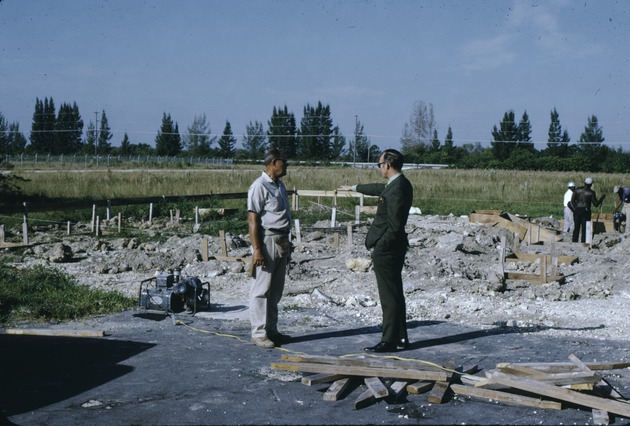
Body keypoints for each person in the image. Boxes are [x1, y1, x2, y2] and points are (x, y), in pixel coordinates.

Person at [337, 149, 413, 353]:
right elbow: (379, 188)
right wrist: (354, 187)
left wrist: (380, 245)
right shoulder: (397, 184)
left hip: (387, 249)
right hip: (391, 248)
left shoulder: (397, 188)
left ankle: (389, 340)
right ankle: (401, 338)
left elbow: (395, 226)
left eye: (380, 165)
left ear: (387, 165)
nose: (379, 168)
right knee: (395, 293)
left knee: (389, 297)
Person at [247, 148, 292, 348]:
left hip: (282, 239)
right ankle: (258, 333)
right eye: (284, 162)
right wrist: (257, 249)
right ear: (274, 163)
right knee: (261, 289)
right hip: (267, 240)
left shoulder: (279, 186)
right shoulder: (259, 186)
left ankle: (271, 330)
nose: (287, 166)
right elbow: (253, 220)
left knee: (275, 291)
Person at [571, 177, 605, 243]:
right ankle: (583, 241)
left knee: (576, 226)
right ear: (591, 185)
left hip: (577, 209)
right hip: (586, 210)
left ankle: (574, 241)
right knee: (585, 227)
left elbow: (572, 201)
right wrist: (601, 198)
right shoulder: (591, 192)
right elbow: (596, 204)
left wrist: (575, 208)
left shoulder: (577, 190)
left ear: (584, 183)